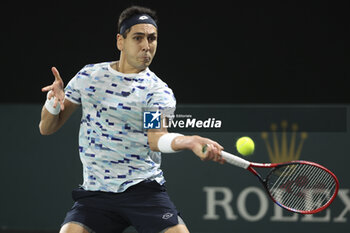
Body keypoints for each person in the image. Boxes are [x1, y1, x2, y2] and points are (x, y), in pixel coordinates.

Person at [39, 5, 224, 233]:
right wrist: (53, 104)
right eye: (138, 38)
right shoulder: (89, 77)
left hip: (143, 190)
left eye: (152, 38)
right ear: (120, 41)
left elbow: (156, 138)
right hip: (96, 194)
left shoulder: (157, 91)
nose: (146, 46)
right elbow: (46, 128)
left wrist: (190, 141)